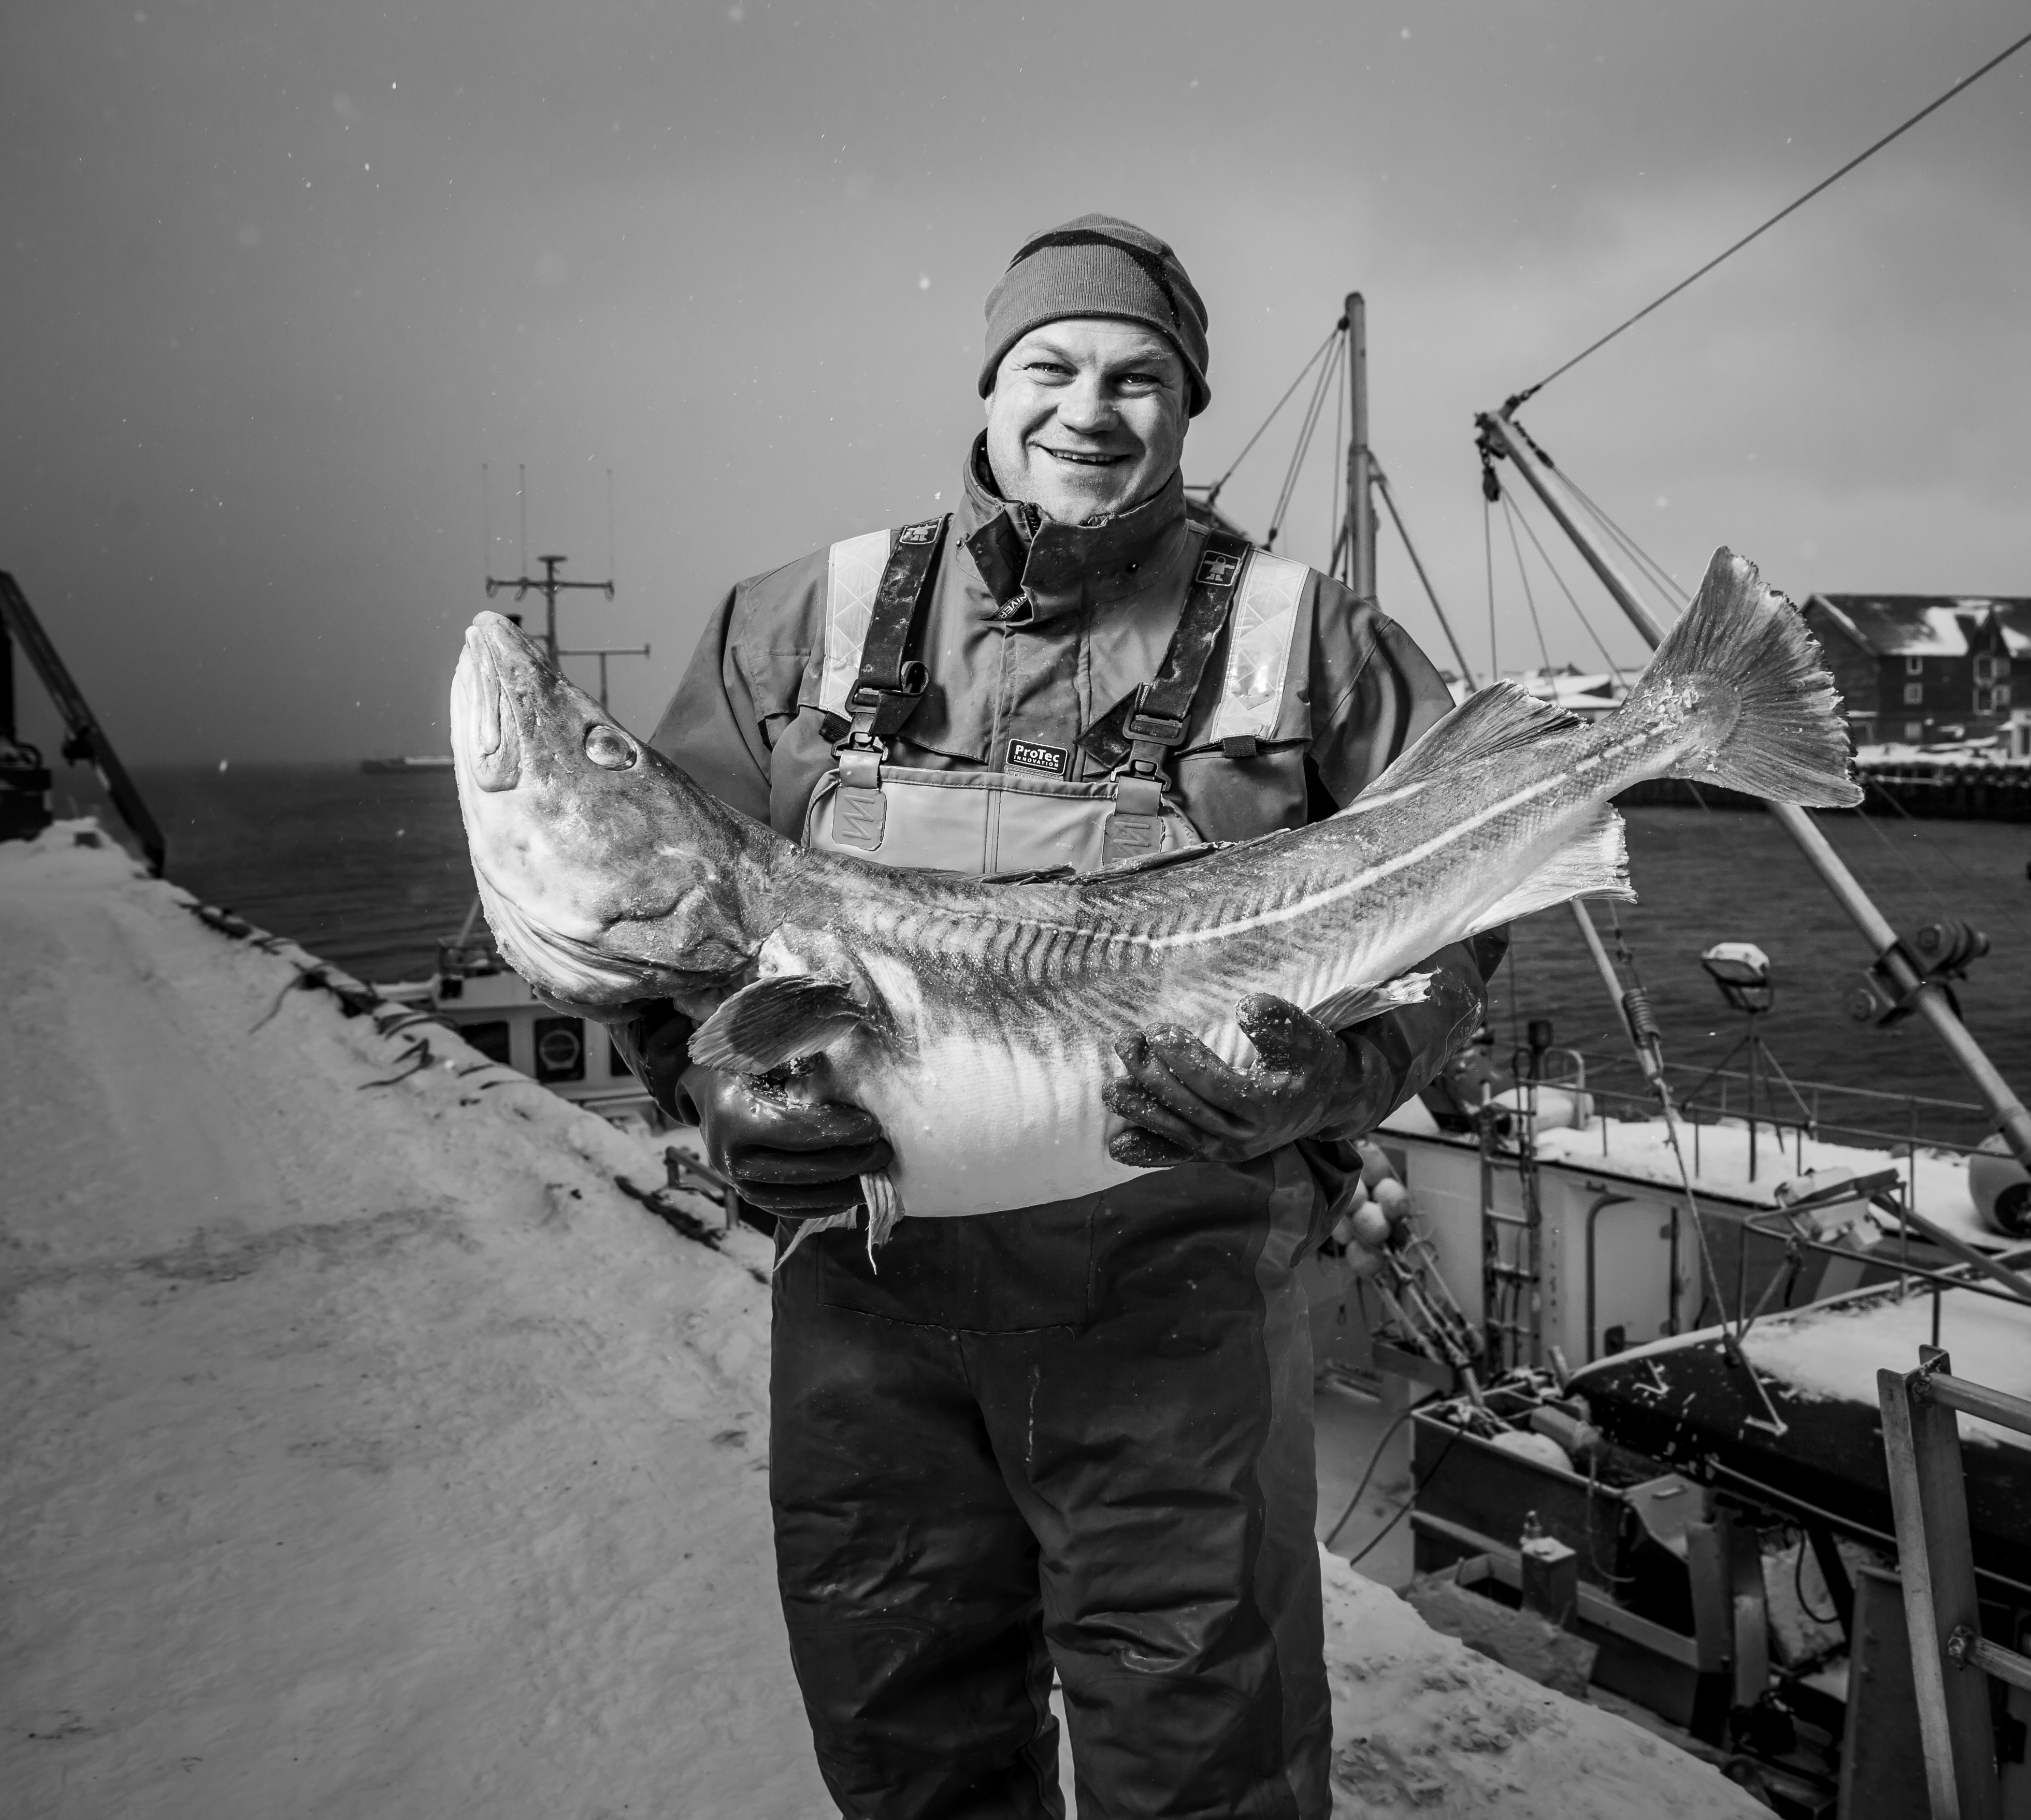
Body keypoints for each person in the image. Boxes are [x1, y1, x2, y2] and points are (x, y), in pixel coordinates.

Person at [609, 214, 1490, 1820]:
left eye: (1137, 376)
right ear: (992, 384)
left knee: (1204, 1758)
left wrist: (1331, 1080)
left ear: (1188, 404)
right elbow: (670, 906)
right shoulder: (795, 621)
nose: (1090, 408)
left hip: (1178, 1325)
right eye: (1052, 366)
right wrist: (712, 1086)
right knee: (906, 1741)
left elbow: (1465, 904)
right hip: (868, 1320)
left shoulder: (1315, 642)